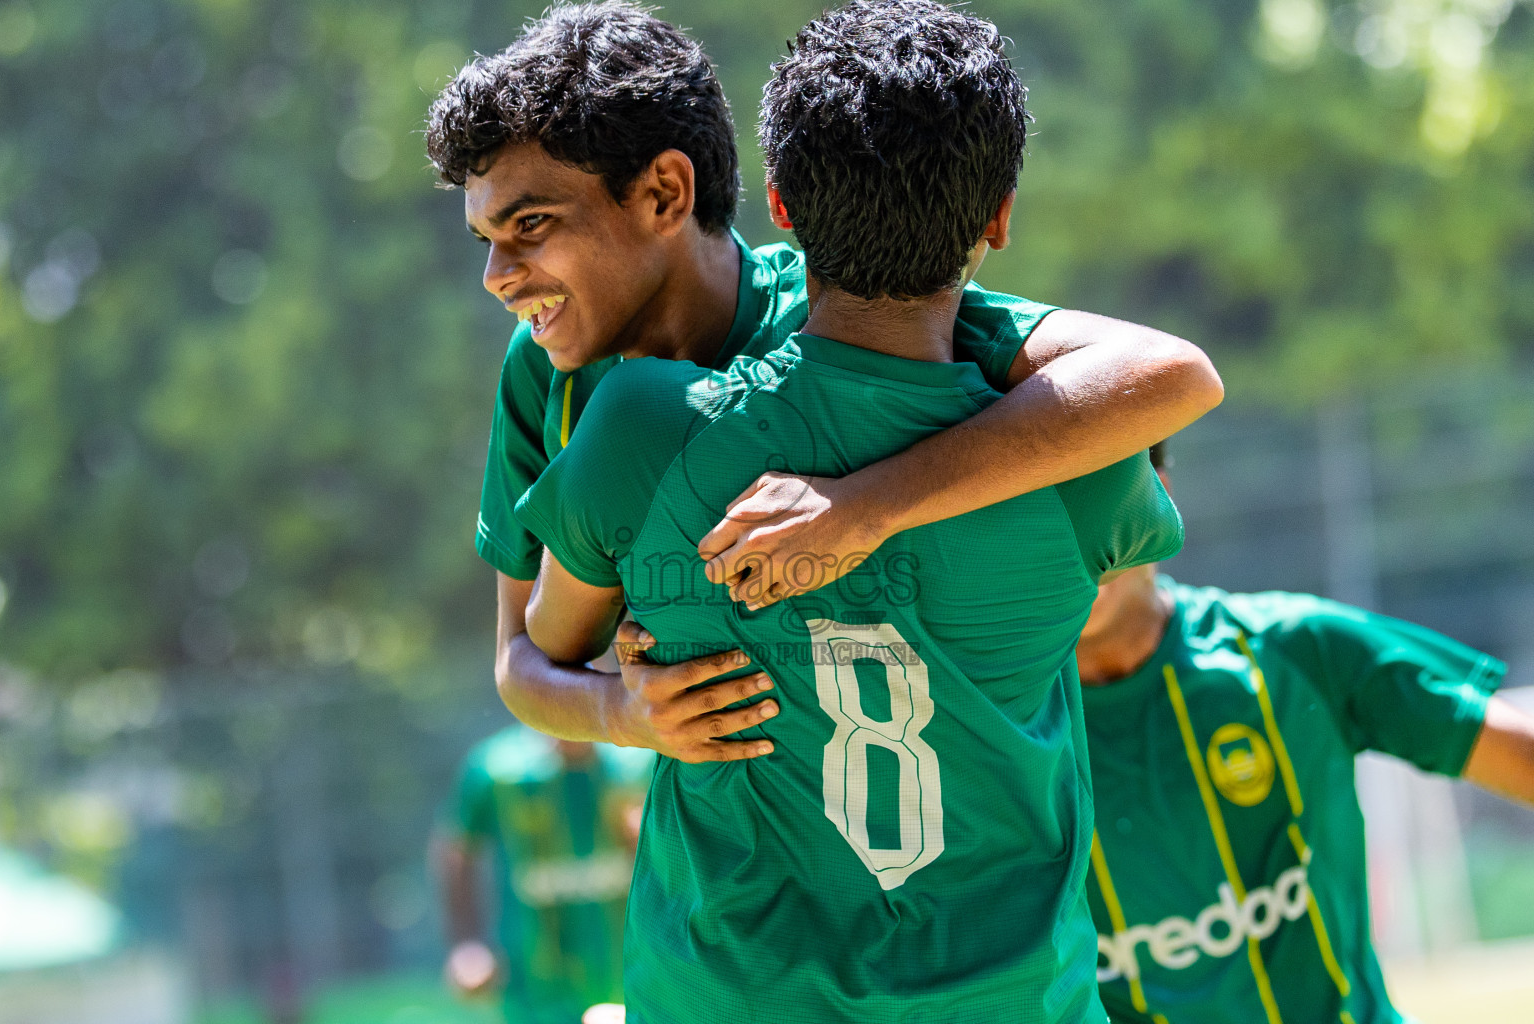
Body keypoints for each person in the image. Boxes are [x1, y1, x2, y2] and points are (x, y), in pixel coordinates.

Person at [512, 3, 1182, 1020]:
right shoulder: (1081, 463)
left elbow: (536, 660)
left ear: (779, 204)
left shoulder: (644, 427)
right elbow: (1151, 429)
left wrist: (625, 707)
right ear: (998, 219)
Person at [423, 0, 1224, 763]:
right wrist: (623, 714)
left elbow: (1172, 377)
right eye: (486, 238)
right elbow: (518, 665)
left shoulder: (852, 309)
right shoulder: (545, 379)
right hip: (747, 862)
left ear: (665, 192)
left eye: (530, 225)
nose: (496, 275)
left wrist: (866, 507)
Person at [1076, 443, 1534, 1024]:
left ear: (1156, 492)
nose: (1076, 535)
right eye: (1037, 509)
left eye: (1094, 496)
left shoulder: (1297, 649)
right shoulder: (996, 731)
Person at [433, 724, 653, 1023]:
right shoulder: (496, 767)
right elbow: (458, 850)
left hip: (634, 972)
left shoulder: (639, 760)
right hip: (533, 983)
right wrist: (468, 943)